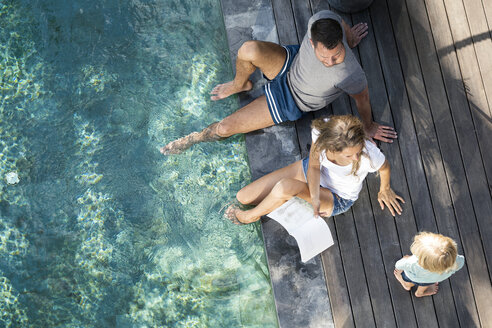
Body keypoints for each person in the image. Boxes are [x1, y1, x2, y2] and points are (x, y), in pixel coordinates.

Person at [161, 10, 397, 155]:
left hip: (292, 100)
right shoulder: (320, 19)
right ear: (313, 42)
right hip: (291, 63)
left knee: (224, 128)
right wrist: (350, 34)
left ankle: (194, 139)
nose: (331, 61)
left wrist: (368, 126)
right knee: (248, 49)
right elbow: (337, 19)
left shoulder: (350, 73)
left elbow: (363, 99)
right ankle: (239, 84)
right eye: (324, 56)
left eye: (336, 55)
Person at [223, 115, 404, 225]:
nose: (356, 158)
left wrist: (384, 189)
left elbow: (385, 166)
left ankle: (250, 217)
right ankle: (274, 201)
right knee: (243, 197)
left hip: (338, 196)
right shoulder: (322, 129)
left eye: (357, 152)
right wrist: (314, 195)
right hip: (310, 171)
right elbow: (315, 165)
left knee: (285, 187)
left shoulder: (368, 155)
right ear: (331, 147)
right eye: (349, 156)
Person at [394, 232, 465, 297]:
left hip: (413, 277)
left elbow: (398, 265)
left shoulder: (412, 263)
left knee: (409, 280)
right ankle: (420, 292)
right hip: (432, 279)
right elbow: (461, 260)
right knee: (425, 283)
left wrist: (406, 258)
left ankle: (407, 285)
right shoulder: (456, 261)